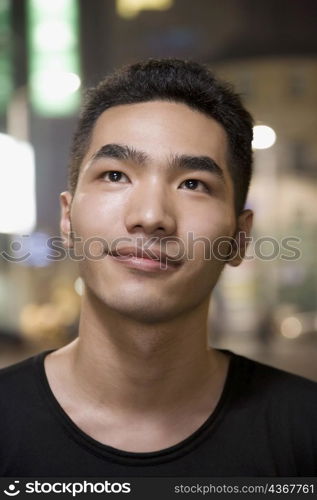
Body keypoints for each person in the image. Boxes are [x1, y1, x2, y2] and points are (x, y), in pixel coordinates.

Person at [1, 59, 316, 477]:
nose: (151, 216)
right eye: (115, 175)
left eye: (193, 184)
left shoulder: (305, 432)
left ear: (239, 239)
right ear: (67, 220)